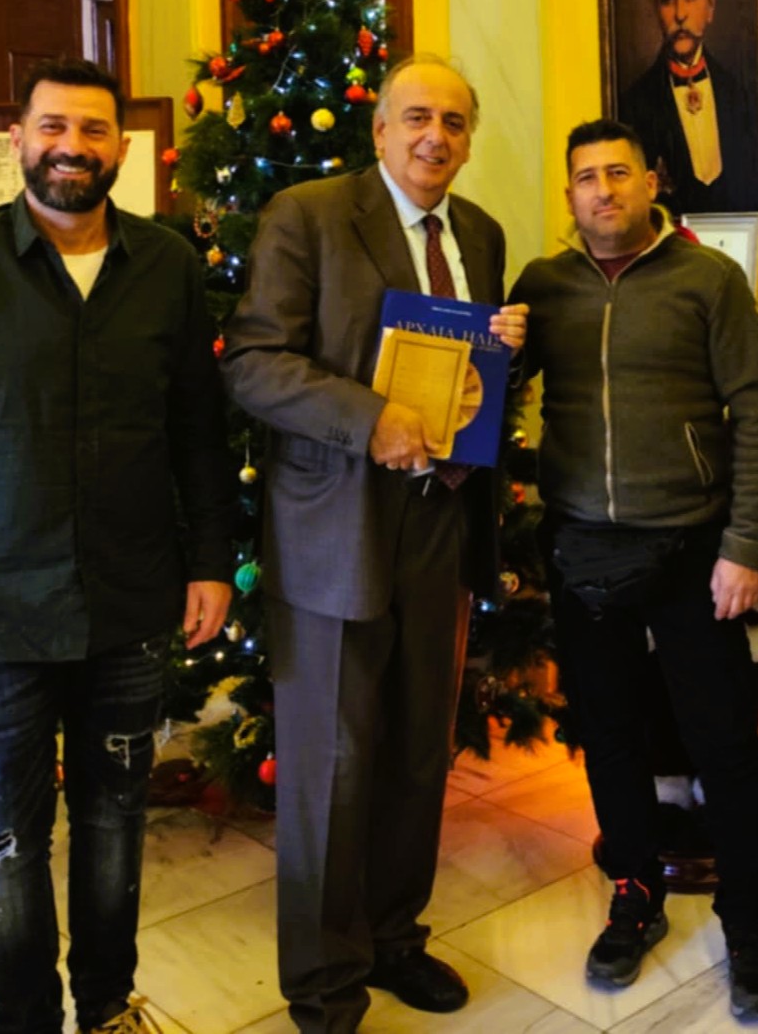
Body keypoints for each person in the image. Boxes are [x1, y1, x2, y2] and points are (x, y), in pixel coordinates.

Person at [0, 56, 236, 1034]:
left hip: (129, 602)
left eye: (94, 129)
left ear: (122, 148)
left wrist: (209, 561)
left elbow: (198, 431)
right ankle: (24, 1021)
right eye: (54, 127)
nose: (73, 146)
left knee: (113, 823)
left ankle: (106, 1006)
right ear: (18, 140)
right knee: (3, 840)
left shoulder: (168, 267)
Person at [221, 55, 528, 1033]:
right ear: (381, 129)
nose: (436, 136)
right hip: (336, 531)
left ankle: (396, 937)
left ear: (468, 140)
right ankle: (324, 986)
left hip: (442, 523)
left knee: (415, 751)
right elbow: (254, 364)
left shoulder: (479, 233)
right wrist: (368, 418)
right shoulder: (308, 216)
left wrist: (506, 350)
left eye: (454, 121)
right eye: (417, 117)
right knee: (332, 765)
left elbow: (475, 378)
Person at [511, 118, 758, 1016]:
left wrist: (744, 546)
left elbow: (757, 411)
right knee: (610, 737)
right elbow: (489, 395)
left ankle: (747, 922)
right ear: (569, 194)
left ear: (650, 181)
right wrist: (497, 350)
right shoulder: (542, 286)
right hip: (583, 547)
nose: (603, 189)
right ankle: (633, 893)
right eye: (586, 176)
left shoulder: (708, 279)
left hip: (693, 551)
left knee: (725, 744)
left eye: (618, 172)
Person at [617, 0, 758, 218]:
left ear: (711, 5)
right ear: (657, 9)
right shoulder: (635, 104)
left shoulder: (739, 95)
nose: (680, 13)